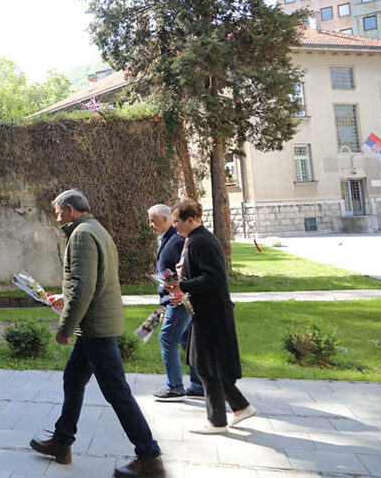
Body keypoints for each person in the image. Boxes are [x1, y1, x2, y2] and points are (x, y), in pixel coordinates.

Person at [30, 190, 165, 478]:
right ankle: (62, 442)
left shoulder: (81, 234)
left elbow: (83, 287)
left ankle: (150, 457)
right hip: (97, 324)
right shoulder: (96, 229)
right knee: (73, 379)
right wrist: (65, 299)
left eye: (57, 212)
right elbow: (89, 282)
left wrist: (66, 326)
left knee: (117, 392)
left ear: (69, 209)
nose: (56, 218)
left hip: (95, 328)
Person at [164, 199, 256, 434]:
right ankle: (238, 408)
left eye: (177, 222)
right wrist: (181, 290)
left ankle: (220, 419)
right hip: (206, 312)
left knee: (203, 365)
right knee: (204, 364)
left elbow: (214, 277)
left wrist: (182, 286)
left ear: (190, 220)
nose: (175, 226)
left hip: (212, 314)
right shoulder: (196, 239)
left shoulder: (200, 241)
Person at [147, 204, 204, 401]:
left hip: (178, 300)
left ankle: (175, 387)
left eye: (153, 221)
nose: (150, 225)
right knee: (186, 340)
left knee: (167, 338)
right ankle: (199, 385)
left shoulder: (177, 239)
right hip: (175, 298)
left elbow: (186, 269)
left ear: (165, 219)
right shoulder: (168, 238)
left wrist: (178, 290)